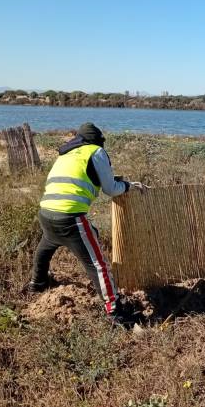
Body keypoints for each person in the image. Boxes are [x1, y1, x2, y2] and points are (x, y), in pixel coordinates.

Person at [25, 122, 144, 325]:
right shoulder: (96, 151)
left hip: (46, 213)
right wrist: (128, 186)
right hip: (70, 218)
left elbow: (78, 178)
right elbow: (111, 189)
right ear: (97, 140)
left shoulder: (66, 153)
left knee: (45, 247)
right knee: (98, 264)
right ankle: (115, 311)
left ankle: (38, 283)